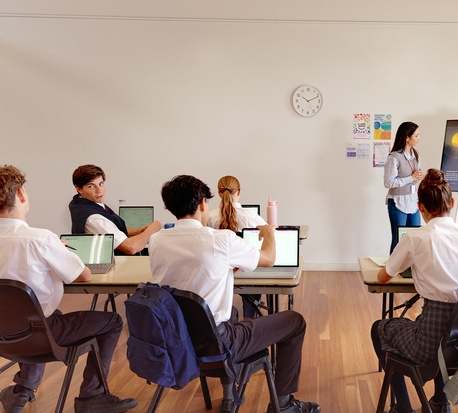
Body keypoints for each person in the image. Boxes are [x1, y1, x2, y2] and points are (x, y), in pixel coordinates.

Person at [148, 174, 320, 413]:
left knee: (231, 312)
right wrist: (269, 233)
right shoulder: (222, 240)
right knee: (295, 321)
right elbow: (268, 259)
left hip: (175, 339)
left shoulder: (156, 241)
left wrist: (224, 266)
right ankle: (283, 404)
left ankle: (229, 395)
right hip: (218, 343)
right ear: (202, 204)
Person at [0, 165, 137, 413]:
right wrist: (59, 251)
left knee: (37, 317)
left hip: (4, 338)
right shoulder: (40, 239)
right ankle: (92, 396)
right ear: (20, 194)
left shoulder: (38, 239)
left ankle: (21, 392)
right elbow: (83, 275)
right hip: (41, 336)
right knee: (112, 321)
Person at [371, 168, 458, 413]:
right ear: (452, 203)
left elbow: (383, 278)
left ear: (420, 206)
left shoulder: (416, 238)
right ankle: (440, 402)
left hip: (430, 343)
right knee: (446, 335)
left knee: (380, 328)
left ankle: (403, 407)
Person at [207, 175, 268, 320]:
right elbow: (267, 237)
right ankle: (249, 318)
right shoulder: (252, 217)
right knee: (252, 273)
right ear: (239, 191)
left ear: (219, 192)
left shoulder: (209, 217)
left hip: (218, 273)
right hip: (247, 272)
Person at [69, 164, 161, 255]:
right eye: (91, 186)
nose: (99, 191)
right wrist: (153, 228)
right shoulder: (94, 218)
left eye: (101, 184)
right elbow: (131, 247)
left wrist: (138, 231)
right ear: (79, 189)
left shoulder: (81, 203)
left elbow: (109, 228)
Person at [384, 121, 425, 253]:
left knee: (415, 238)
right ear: (407, 137)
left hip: (412, 200)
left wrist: (417, 177)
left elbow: (413, 178)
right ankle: (393, 266)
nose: (419, 138)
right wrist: (411, 178)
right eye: (416, 136)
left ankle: (411, 266)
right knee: (398, 240)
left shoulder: (415, 154)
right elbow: (388, 183)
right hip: (398, 201)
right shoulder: (394, 157)